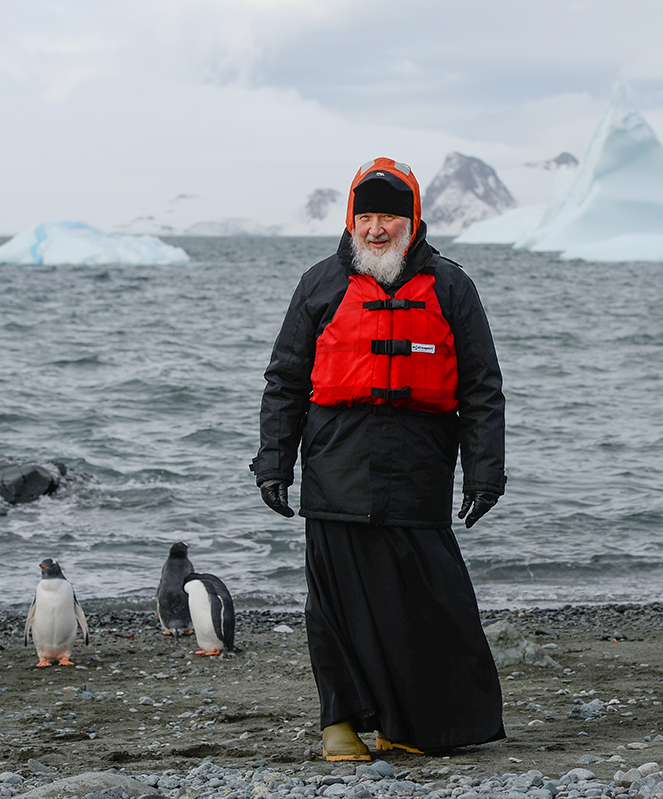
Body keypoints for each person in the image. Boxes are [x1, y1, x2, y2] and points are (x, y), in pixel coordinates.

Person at [251, 157, 507, 761]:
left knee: (428, 601)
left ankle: (407, 724)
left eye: (388, 216)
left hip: (419, 469)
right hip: (336, 467)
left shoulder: (451, 287)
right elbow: (284, 381)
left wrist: (486, 471)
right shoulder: (320, 284)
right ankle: (339, 727)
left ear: (412, 222)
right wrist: (273, 463)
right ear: (350, 220)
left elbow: (481, 386)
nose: (375, 228)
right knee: (335, 605)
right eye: (364, 215)